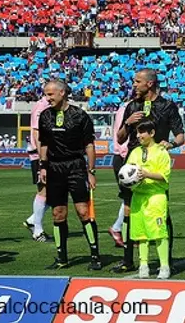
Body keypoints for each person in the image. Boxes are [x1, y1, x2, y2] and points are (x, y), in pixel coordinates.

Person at [114, 69, 185, 273]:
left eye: (137, 81)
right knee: (130, 210)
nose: (134, 85)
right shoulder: (131, 106)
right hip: (132, 163)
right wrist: (128, 123)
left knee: (162, 211)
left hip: (155, 162)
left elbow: (181, 136)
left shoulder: (167, 106)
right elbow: (120, 139)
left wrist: (170, 144)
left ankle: (166, 260)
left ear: (150, 84)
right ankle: (129, 260)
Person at [38, 80, 101, 270]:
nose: (47, 98)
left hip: (76, 166)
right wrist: (43, 167)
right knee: (58, 214)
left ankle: (95, 256)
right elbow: (44, 144)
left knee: (83, 211)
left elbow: (89, 145)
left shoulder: (80, 115)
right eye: (45, 94)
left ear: (62, 93)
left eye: (50, 94)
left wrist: (91, 171)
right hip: (54, 168)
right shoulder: (45, 116)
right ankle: (61, 257)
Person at [126, 120, 172, 279]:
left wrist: (146, 174)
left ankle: (164, 266)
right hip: (138, 197)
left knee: (159, 233)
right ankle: (143, 265)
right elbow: (128, 171)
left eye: (142, 132)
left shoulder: (161, 151)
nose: (138, 136)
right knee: (140, 234)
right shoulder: (135, 152)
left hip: (155, 197)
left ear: (151, 133)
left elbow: (164, 176)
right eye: (137, 132)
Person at [23, 96, 51, 242]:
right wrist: (42, 158)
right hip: (41, 154)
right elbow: (36, 132)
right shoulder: (41, 106)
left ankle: (33, 221)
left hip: (49, 153)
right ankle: (37, 230)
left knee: (56, 192)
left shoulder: (47, 105)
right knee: (44, 190)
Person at [109, 102, 129, 248]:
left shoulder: (123, 107)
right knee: (130, 198)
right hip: (124, 157)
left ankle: (125, 232)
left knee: (130, 198)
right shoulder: (130, 108)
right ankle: (117, 229)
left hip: (122, 156)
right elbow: (122, 135)